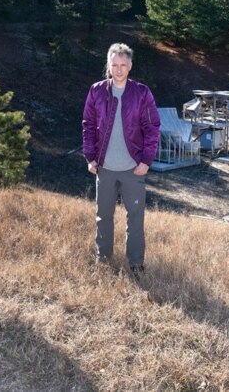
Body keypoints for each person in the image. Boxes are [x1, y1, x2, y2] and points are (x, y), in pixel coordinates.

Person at [82, 43, 160, 279]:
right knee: (103, 216)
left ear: (130, 66)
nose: (118, 69)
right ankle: (103, 259)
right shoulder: (96, 91)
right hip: (104, 167)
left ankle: (136, 264)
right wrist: (90, 158)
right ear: (108, 65)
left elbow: (152, 127)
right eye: (114, 65)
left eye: (123, 65)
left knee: (135, 218)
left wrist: (146, 160)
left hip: (132, 169)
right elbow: (87, 126)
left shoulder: (142, 93)